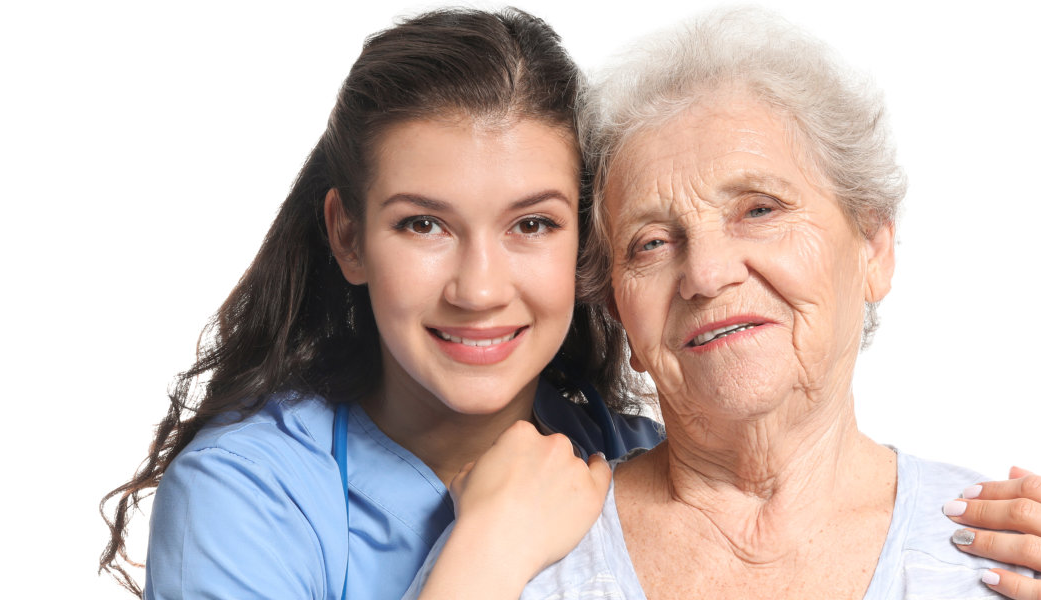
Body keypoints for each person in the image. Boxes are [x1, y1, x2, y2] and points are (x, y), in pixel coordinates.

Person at [407, 7, 1041, 599]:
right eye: (651, 242)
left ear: (874, 249)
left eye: (759, 209)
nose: (707, 272)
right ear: (618, 313)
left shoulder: (1019, 560)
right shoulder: (516, 553)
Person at [96, 8, 664, 600]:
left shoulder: (648, 461)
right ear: (348, 237)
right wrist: (491, 548)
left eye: (531, 223)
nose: (479, 291)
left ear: (585, 239)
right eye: (424, 224)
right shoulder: (244, 494)